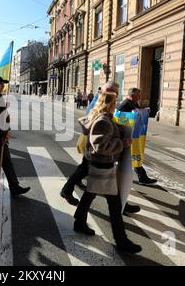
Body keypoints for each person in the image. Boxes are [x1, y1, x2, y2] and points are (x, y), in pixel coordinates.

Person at [73, 91, 142, 254]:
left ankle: (79, 221)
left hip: (101, 165)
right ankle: (121, 240)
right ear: (109, 104)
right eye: (114, 102)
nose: (116, 105)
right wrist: (122, 142)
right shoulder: (103, 120)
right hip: (102, 165)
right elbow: (100, 145)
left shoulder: (104, 118)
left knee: (90, 193)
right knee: (114, 203)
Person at [61, 81, 119, 206]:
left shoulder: (102, 99)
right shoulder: (102, 100)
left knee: (84, 168)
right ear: (108, 91)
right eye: (115, 92)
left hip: (92, 137)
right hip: (92, 138)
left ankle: (68, 190)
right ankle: (68, 191)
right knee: (86, 169)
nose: (117, 96)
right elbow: (94, 117)